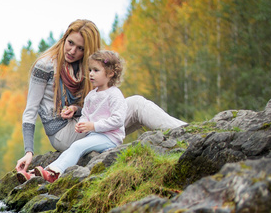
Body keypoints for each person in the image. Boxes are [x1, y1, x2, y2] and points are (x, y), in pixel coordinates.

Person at [15, 19, 185, 179]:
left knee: (137, 105)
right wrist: (29, 151)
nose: (72, 51)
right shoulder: (44, 66)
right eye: (70, 43)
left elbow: (93, 105)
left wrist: (76, 109)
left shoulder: (88, 68)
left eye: (80, 48)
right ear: (64, 38)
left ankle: (188, 134)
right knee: (137, 106)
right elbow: (30, 111)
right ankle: (187, 133)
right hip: (64, 134)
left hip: (84, 123)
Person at [33, 50, 125, 183]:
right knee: (74, 147)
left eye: (96, 70)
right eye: (90, 70)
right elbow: (85, 114)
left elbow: (118, 120)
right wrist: (81, 124)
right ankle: (41, 173)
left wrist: (93, 126)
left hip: (110, 138)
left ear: (110, 73)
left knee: (77, 146)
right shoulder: (91, 95)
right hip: (95, 136)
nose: (91, 74)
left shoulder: (114, 94)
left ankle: (55, 174)